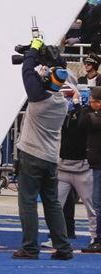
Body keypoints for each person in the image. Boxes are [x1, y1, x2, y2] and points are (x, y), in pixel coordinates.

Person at [13, 38, 74, 260]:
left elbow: (27, 73)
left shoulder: (39, 98)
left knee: (28, 203)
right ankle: (63, 248)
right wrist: (51, 61)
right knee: (53, 204)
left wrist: (34, 51)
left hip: (32, 155)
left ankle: (30, 248)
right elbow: (58, 76)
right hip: (50, 158)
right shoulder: (61, 101)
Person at [54, 84, 95, 251]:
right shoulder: (57, 115)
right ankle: (56, 237)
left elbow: (84, 123)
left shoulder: (87, 116)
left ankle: (96, 237)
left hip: (82, 168)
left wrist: (78, 104)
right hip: (63, 167)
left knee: (92, 206)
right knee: (55, 205)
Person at [79, 86, 101, 252]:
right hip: (97, 163)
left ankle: (99, 239)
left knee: (97, 203)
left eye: (91, 101)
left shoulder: (96, 118)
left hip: (99, 164)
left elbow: (84, 121)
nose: (89, 104)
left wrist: (83, 104)